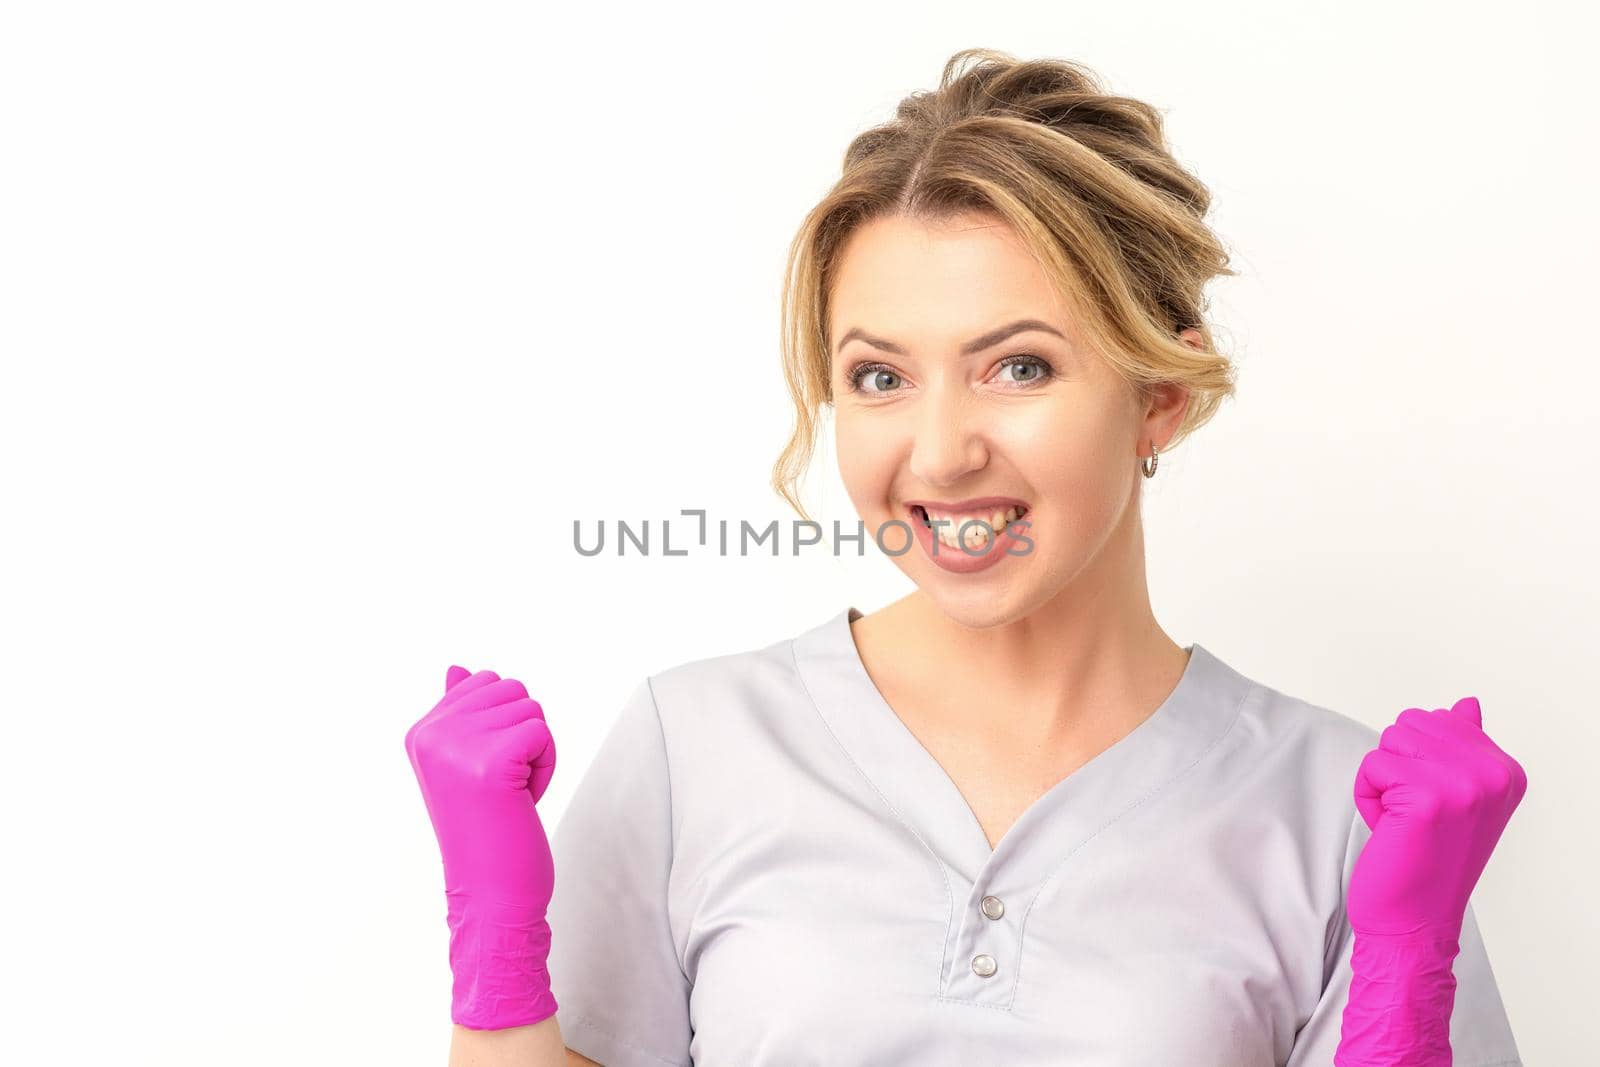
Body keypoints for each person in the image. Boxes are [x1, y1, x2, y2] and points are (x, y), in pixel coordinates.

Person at [406, 49, 1527, 1066]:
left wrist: (1398, 997)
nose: (939, 455)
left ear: (1162, 396)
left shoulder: (1343, 810)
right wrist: (496, 949)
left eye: (1019, 367)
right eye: (880, 378)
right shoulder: (694, 745)